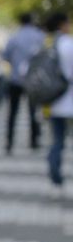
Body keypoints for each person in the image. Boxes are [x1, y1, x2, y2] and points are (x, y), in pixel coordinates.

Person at [2, 12, 46, 152]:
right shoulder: (39, 36)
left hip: (16, 79)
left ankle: (9, 142)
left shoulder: (14, 37)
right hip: (33, 79)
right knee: (33, 111)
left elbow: (6, 56)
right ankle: (34, 140)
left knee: (13, 112)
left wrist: (16, 63)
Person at [41, 12, 73, 187]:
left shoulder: (46, 45)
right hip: (69, 98)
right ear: (62, 24)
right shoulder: (68, 44)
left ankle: (54, 169)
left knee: (57, 139)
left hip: (51, 101)